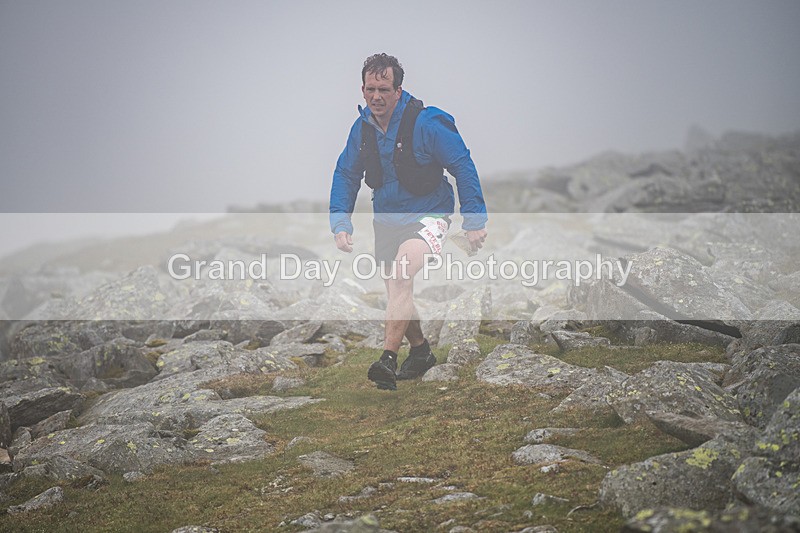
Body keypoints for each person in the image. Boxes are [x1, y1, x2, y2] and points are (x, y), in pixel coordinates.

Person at [329, 53, 488, 390]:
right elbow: (346, 174)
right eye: (370, 89)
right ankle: (420, 350)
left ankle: (387, 358)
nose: (376, 97)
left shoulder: (427, 123)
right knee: (396, 290)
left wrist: (474, 220)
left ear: (398, 91)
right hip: (386, 219)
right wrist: (341, 223)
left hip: (430, 213)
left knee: (401, 275)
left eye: (384, 89)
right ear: (362, 89)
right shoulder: (362, 129)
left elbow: (462, 165)